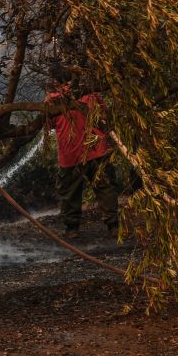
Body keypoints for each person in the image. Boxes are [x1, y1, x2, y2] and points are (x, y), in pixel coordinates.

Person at [46, 75, 120, 237]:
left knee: (70, 192)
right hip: (97, 150)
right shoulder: (91, 94)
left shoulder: (52, 99)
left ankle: (72, 229)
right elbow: (105, 116)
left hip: (70, 154)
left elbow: (49, 124)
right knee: (105, 188)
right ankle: (113, 226)